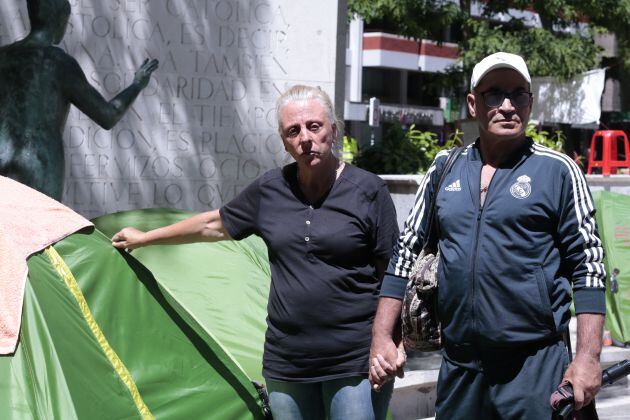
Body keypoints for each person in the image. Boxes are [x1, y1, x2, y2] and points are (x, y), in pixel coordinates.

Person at [112, 85, 400, 419]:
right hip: (287, 362)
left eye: (314, 126)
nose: (305, 137)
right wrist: (145, 237)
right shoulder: (270, 190)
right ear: (284, 141)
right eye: (294, 131)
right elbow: (212, 224)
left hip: (354, 361)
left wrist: (393, 342)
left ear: (333, 130)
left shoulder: (369, 190)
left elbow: (393, 274)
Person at [370, 52, 606, 419]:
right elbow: (406, 251)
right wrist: (383, 336)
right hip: (460, 367)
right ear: (472, 104)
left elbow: (589, 268)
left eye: (518, 95)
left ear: (530, 102)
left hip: (534, 368)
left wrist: (588, 359)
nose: (507, 106)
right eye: (494, 94)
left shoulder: (558, 171)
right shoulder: (444, 168)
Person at [0, 0, 158, 200]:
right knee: (45, 228)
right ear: (59, 20)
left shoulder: (3, 56)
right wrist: (137, 85)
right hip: (39, 166)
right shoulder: (58, 63)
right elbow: (108, 115)